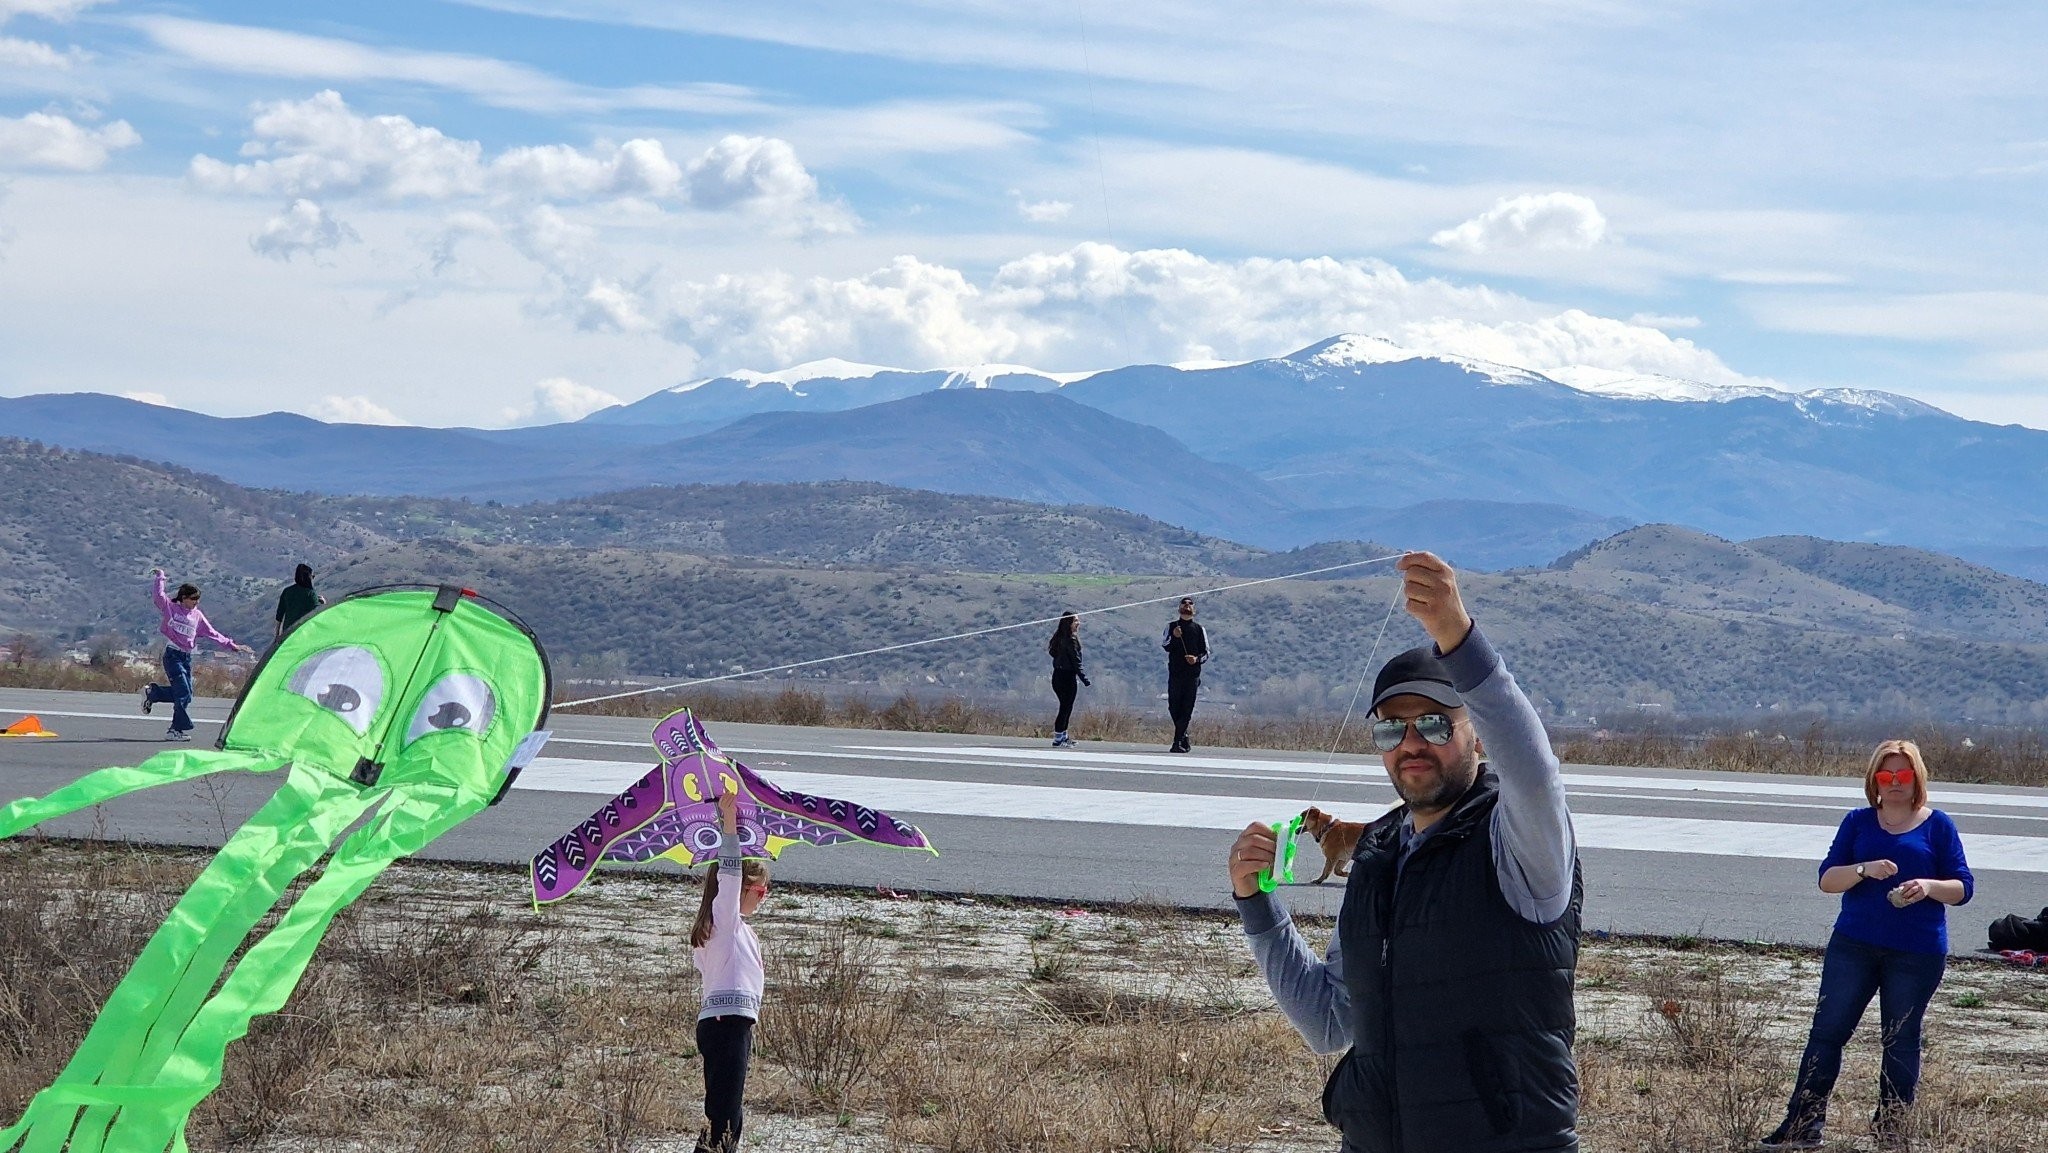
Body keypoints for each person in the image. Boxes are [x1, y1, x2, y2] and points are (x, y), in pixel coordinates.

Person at [1226, 551, 1581, 1153]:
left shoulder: (1521, 844)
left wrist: (1457, 636)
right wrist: (1257, 905)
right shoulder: (1377, 857)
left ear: (1476, 733)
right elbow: (1326, 1023)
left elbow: (1535, 773)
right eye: (1392, 728)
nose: (1412, 743)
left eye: (1436, 724)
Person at [1759, 740, 1974, 1152]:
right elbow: (1827, 880)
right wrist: (1863, 869)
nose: (1895, 783)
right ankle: (1803, 1125)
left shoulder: (1938, 825)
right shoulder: (1858, 822)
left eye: (1904, 776)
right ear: (1875, 780)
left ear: (1917, 779)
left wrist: (1928, 886)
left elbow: (1963, 887)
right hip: (1854, 946)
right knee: (1827, 1033)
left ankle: (1891, 1131)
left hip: (1916, 952)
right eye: (1887, 776)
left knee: (1901, 1040)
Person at [690, 790, 771, 1153]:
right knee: (725, 1118)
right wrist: (729, 824)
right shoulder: (724, 922)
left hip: (731, 1025)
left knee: (727, 1114)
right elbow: (729, 869)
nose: (763, 896)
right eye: (761, 890)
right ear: (742, 890)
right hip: (725, 1025)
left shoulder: (730, 930)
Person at [140, 569, 252, 742]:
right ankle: (174, 730)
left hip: (186, 657)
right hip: (172, 655)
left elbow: (212, 633)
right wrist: (160, 576)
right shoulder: (171, 608)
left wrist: (231, 645)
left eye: (197, 599)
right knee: (183, 692)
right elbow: (158, 596)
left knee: (187, 694)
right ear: (183, 598)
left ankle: (154, 694)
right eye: (193, 599)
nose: (196, 602)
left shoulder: (197, 616)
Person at [1162, 596, 1209, 752]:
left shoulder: (1199, 629)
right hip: (1175, 674)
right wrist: (1175, 637)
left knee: (1187, 708)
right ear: (1179, 608)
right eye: (1184, 603)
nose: (1187, 606)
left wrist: (1195, 659)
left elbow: (1206, 653)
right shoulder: (1171, 627)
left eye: (1190, 604)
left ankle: (1177, 742)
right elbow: (1165, 645)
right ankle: (1184, 736)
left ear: (1194, 610)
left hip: (1192, 676)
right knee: (1173, 707)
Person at [1048, 612, 1091, 747]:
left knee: (1066, 707)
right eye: (1075, 621)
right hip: (1066, 678)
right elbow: (1076, 661)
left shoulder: (1059, 638)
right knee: (1065, 708)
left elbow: (1053, 653)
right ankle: (1058, 738)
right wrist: (1084, 678)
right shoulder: (1071, 640)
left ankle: (1063, 736)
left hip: (1058, 676)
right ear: (1069, 623)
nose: (1078, 623)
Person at [274, 563, 325, 642]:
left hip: (287, 634)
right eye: (312, 576)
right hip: (304, 634)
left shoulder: (287, 591)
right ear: (308, 578)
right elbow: (318, 615)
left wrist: (277, 636)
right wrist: (324, 603)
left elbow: (279, 616)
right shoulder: (311, 594)